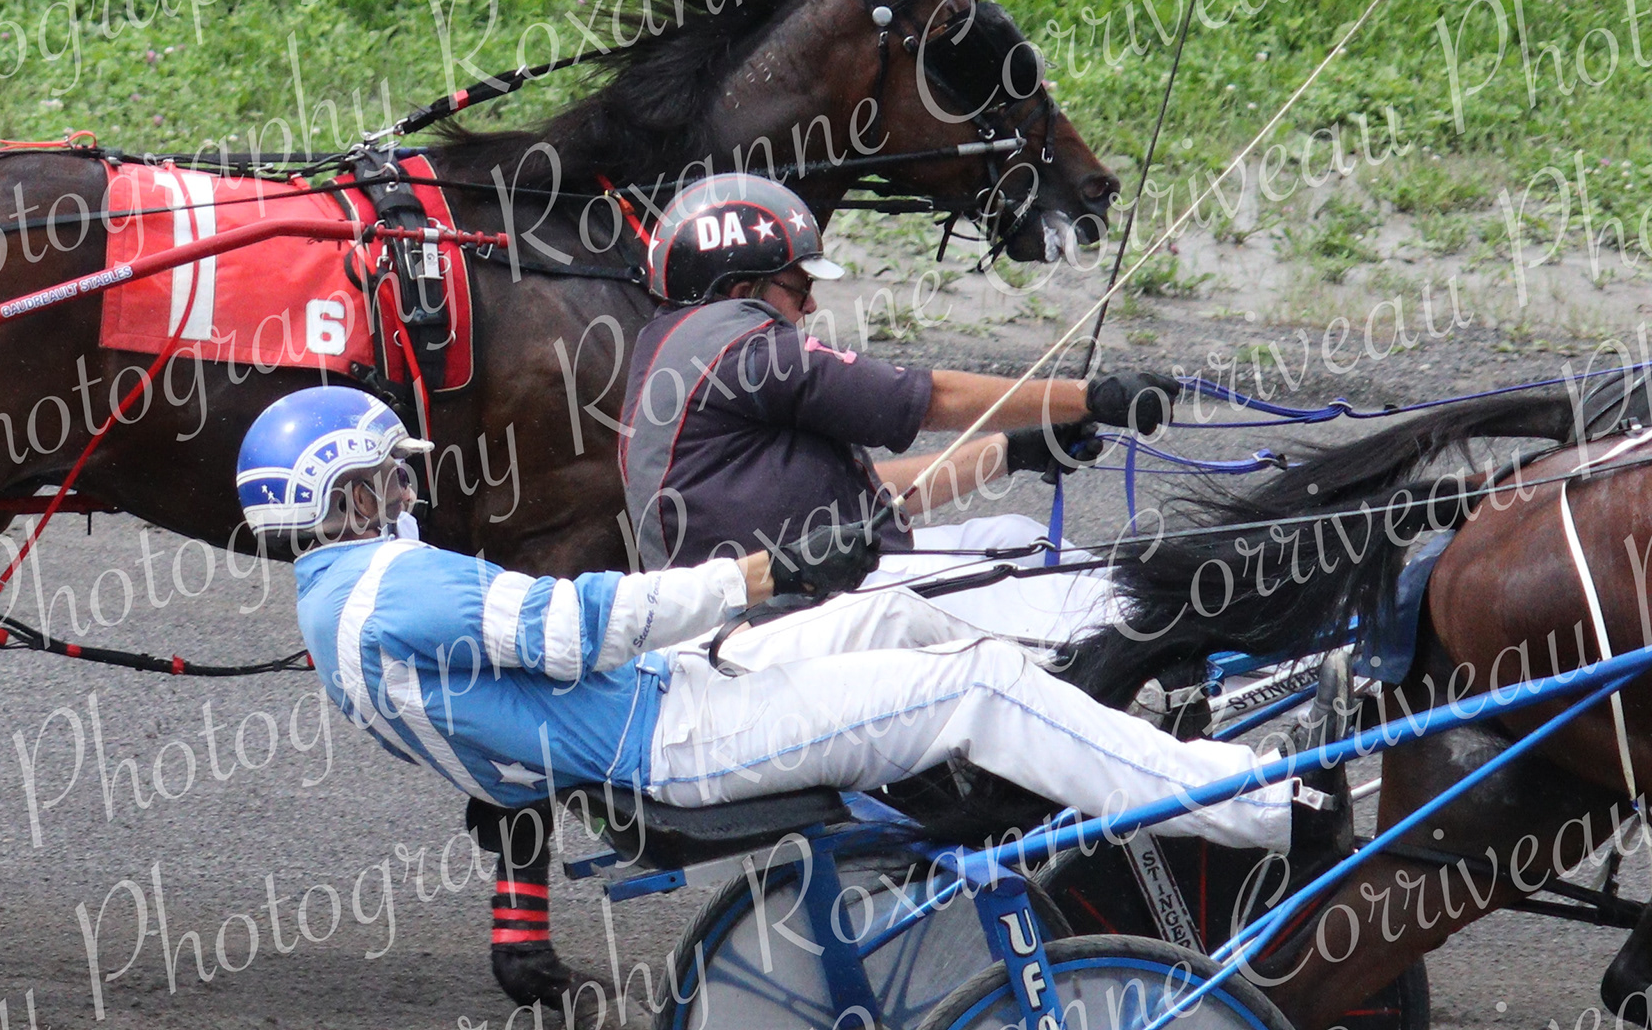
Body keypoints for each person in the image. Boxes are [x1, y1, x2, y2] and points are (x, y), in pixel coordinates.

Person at [254, 388, 1297, 854]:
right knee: (979, 684)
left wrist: (773, 585)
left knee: (894, 612)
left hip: (666, 701)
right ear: (346, 493)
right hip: (675, 735)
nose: (406, 490)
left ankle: (1104, 739)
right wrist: (760, 574)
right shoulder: (388, 585)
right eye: (390, 475)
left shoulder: (333, 605)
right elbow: (579, 627)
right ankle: (1262, 807)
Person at [617, 172, 1177, 648]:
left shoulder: (678, 347)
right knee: (1091, 612)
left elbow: (862, 495)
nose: (810, 303)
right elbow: (930, 400)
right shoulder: (746, 350)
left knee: (1017, 532)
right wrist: (1090, 397)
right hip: (775, 626)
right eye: (798, 284)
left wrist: (1011, 451)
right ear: (742, 289)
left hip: (790, 602)